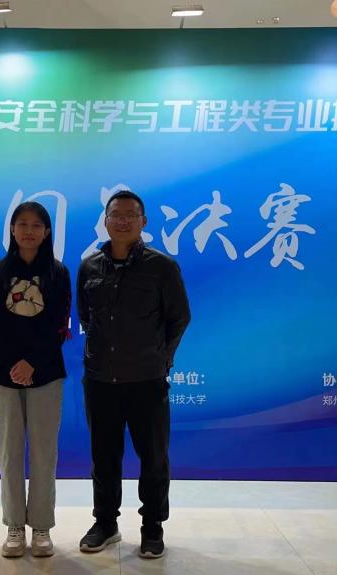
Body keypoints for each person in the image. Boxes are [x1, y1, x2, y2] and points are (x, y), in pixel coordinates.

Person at [76, 189, 191, 559]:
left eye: (130, 215)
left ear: (143, 222)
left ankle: (152, 527)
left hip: (147, 381)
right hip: (100, 380)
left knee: (153, 458)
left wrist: (161, 359)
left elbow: (179, 318)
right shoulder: (89, 267)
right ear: (105, 221)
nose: (122, 221)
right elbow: (86, 317)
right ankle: (105, 524)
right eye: (116, 214)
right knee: (103, 457)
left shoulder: (162, 267)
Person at [0, 201, 71, 558]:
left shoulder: (58, 273)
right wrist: (13, 363)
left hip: (46, 374)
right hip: (3, 375)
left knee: (45, 453)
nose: (29, 231)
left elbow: (58, 326)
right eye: (22, 224)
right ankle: (14, 526)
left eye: (36, 225)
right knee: (9, 452)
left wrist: (32, 363)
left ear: (46, 232)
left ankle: (42, 526)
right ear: (12, 230)